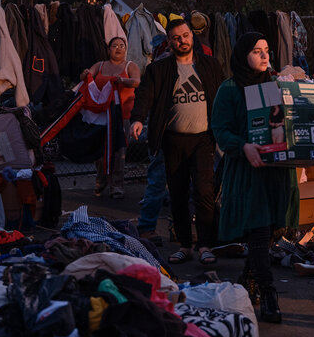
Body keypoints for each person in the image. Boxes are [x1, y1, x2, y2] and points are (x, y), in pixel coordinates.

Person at [211, 32, 293, 323]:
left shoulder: (274, 86)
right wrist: (242, 146)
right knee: (258, 229)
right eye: (257, 51)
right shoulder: (230, 89)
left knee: (269, 230)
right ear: (243, 55)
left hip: (275, 171)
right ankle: (269, 294)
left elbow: (285, 122)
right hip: (248, 171)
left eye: (267, 50)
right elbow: (220, 130)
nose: (264, 55)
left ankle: (248, 281)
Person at [130, 19, 224, 266]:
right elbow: (144, 96)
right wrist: (137, 119)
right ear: (169, 41)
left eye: (185, 35)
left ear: (192, 36)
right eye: (176, 37)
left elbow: (224, 95)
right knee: (179, 195)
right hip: (173, 140)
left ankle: (205, 245)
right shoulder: (159, 70)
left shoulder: (211, 66)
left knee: (204, 192)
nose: (182, 40)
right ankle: (185, 245)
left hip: (204, 139)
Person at [80, 36, 139, 199]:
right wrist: (85, 73)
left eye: (121, 46)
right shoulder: (100, 65)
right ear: (109, 49)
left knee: (120, 151)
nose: (118, 48)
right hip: (101, 116)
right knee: (99, 151)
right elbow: (85, 77)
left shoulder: (130, 66)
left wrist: (123, 80)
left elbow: (137, 81)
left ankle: (117, 185)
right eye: (114, 46)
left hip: (122, 115)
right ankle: (101, 180)